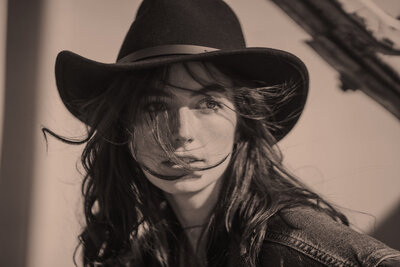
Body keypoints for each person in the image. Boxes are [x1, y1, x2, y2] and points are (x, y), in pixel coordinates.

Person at [45, 0, 400, 266]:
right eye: (154, 107)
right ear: (125, 127)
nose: (182, 133)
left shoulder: (293, 243)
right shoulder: (150, 254)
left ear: (241, 121)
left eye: (208, 104)